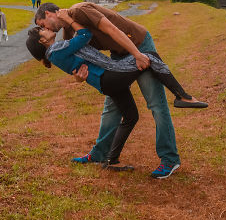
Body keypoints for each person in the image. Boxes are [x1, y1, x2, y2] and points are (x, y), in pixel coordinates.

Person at [26, 11, 206, 170]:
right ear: (42, 41)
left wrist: (68, 23)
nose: (46, 29)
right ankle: (182, 96)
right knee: (150, 58)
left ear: (49, 13)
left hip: (109, 76)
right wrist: (137, 56)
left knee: (131, 116)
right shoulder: (57, 49)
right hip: (109, 75)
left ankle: (111, 158)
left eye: (41, 25)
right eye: (41, 29)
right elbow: (84, 36)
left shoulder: (73, 22)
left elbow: (81, 48)